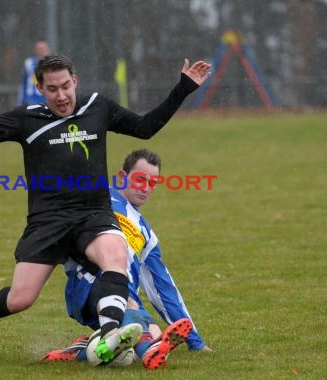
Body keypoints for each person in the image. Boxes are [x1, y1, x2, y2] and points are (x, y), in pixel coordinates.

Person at [0, 54, 211, 363]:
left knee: (116, 255)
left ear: (76, 82)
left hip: (93, 213)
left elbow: (145, 127)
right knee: (20, 299)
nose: (62, 96)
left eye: (66, 86)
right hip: (48, 220)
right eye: (53, 89)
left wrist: (183, 88)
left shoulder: (98, 107)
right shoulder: (26, 118)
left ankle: (111, 333)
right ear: (40, 88)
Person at [42, 149, 210, 370]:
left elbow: (162, 286)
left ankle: (83, 348)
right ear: (123, 176)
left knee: (149, 334)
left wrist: (196, 342)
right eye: (140, 179)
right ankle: (147, 349)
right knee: (137, 322)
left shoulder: (146, 233)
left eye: (153, 182)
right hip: (90, 283)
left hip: (126, 297)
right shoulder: (98, 198)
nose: (146, 188)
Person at [17, 39, 50, 105]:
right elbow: (25, 82)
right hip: (31, 98)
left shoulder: (52, 63)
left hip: (46, 97)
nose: (41, 51)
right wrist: (21, 99)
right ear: (35, 50)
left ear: (48, 49)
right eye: (39, 49)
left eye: (43, 48)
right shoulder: (29, 63)